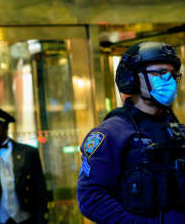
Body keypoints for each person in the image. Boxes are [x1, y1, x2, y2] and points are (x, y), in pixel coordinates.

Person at [77, 41, 185, 223]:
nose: (170, 81)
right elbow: (91, 199)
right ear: (131, 79)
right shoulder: (112, 134)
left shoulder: (178, 131)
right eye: (160, 73)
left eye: (173, 75)